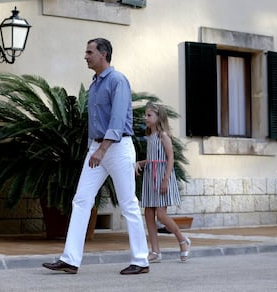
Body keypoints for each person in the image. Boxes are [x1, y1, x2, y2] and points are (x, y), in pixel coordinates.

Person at [42, 38, 149, 275]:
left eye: (89, 52)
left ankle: (141, 260)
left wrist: (102, 149)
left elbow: (118, 120)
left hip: (118, 147)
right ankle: (70, 259)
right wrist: (95, 147)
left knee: (128, 203)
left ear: (104, 54)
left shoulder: (117, 81)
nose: (85, 56)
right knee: (81, 200)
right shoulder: (95, 84)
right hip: (97, 147)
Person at [135, 102, 191, 263]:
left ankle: (182, 240)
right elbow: (153, 159)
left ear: (159, 117)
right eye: (146, 115)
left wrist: (165, 180)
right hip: (150, 176)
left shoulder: (163, 136)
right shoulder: (150, 136)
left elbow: (170, 157)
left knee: (161, 214)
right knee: (148, 213)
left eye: (149, 115)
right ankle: (155, 251)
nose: (145, 118)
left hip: (161, 176)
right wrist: (140, 163)